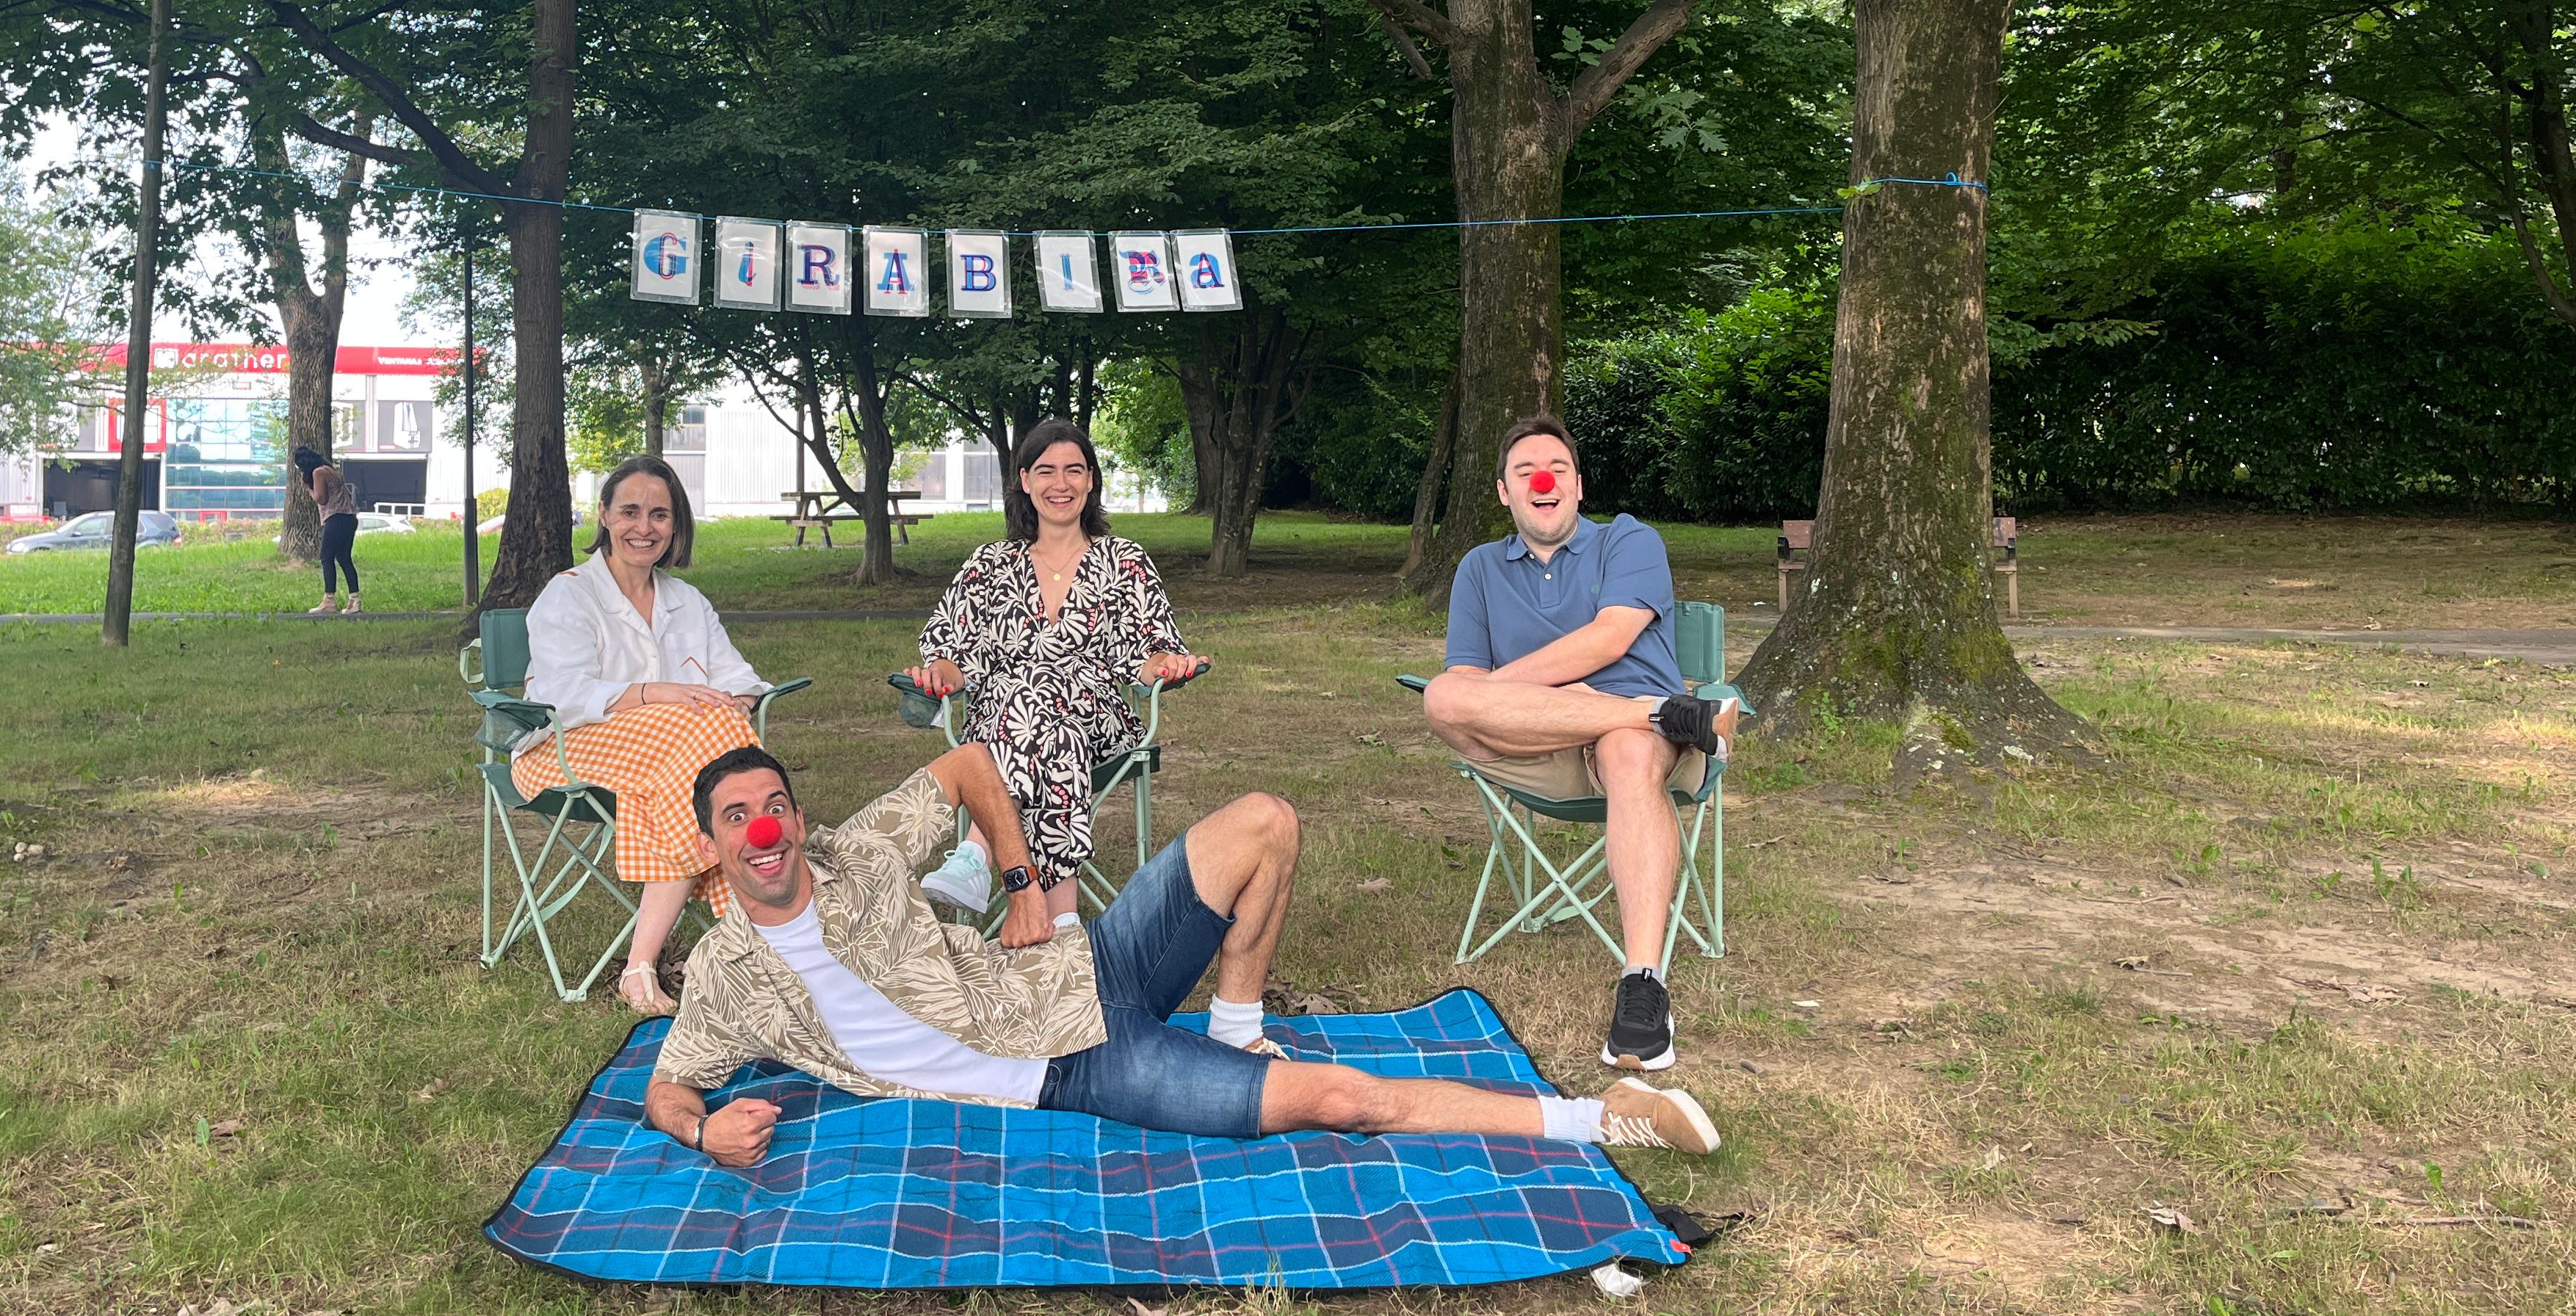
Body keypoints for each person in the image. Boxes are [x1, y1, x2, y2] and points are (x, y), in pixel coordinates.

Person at [643, 743, 1721, 1165]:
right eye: (740, 817)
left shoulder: (859, 850)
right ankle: (1603, 1117)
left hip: (1080, 972)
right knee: (1343, 1099)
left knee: (1265, 815)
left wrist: (1022, 885)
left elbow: (971, 763)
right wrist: (705, 1137)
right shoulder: (730, 976)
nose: (767, 829)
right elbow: (669, 1088)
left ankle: (1237, 1025)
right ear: (713, 845)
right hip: (1077, 1072)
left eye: (777, 804)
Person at [1420, 416, 1737, 1074]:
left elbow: (1610, 639)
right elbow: (1467, 687)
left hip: (1630, 757)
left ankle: (1643, 984)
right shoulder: (1478, 569)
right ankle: (1660, 713)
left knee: (1624, 749)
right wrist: (1537, 706)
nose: (1544, 479)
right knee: (1442, 696)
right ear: (1505, 493)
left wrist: (1501, 698)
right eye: (1526, 471)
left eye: (1558, 468)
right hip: (1537, 751)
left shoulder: (1629, 539)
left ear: (1578, 485)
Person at [904, 419, 1204, 921]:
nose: (1059, 484)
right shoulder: (990, 564)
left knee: (1037, 684)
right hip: (1008, 727)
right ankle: (1064, 924)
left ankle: (976, 856)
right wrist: (942, 674)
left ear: (1091, 480)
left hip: (1097, 723)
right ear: (1024, 480)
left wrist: (1165, 665)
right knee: (1045, 722)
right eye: (1046, 471)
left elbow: (1149, 652)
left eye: (1073, 471)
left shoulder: (1123, 560)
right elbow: (953, 652)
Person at [515, 455, 772, 1016]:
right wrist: (657, 693)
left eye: (660, 514)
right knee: (707, 755)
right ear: (604, 515)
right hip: (564, 748)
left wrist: (731, 703)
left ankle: (641, 968)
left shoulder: (687, 600)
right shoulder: (571, 594)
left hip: (678, 759)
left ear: (675, 525)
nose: (644, 527)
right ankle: (761, 932)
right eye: (630, 511)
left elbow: (738, 679)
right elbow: (558, 694)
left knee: (701, 751)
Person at [293, 446, 361, 617]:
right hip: (349, 517)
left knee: (326, 557)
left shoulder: (318, 473)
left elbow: (321, 499)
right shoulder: (332, 471)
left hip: (335, 517)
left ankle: (329, 600)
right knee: (344, 559)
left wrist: (308, 489)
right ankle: (355, 599)